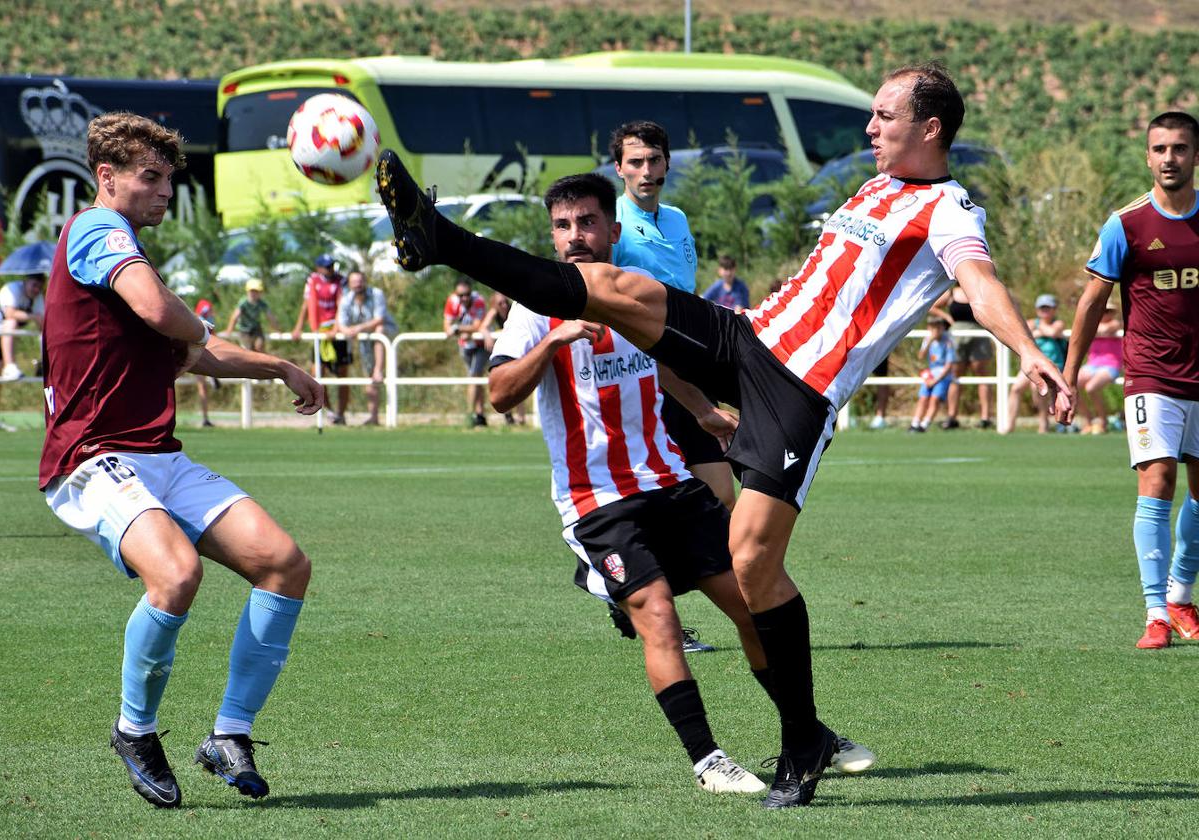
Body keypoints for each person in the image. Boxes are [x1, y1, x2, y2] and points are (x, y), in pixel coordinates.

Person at [377, 61, 1073, 808]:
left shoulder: (948, 210)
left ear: (930, 128)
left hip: (796, 394)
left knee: (751, 567)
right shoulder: (877, 186)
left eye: (884, 116)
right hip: (746, 339)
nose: (869, 128)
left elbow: (980, 281)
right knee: (610, 287)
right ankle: (437, 236)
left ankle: (802, 736)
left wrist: (1029, 350)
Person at [488, 172, 873, 793]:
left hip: (671, 483)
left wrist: (702, 411)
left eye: (586, 222)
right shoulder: (535, 307)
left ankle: (807, 734)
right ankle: (708, 759)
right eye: (562, 226)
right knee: (658, 618)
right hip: (598, 502)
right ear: (551, 236)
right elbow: (500, 393)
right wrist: (553, 339)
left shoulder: (635, 293)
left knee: (751, 606)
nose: (574, 236)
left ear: (613, 230)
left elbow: (665, 362)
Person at [39, 112, 325, 808]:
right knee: (177, 573)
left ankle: (229, 734)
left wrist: (280, 366)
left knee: (284, 565)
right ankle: (134, 730)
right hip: (92, 457)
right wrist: (188, 324)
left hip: (157, 455)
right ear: (107, 178)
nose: (166, 190)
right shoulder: (98, 231)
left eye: (170, 178)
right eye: (151, 176)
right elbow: (165, 315)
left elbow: (196, 351)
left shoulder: (127, 249)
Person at [1064, 110, 1199, 650]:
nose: (1170, 158)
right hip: (1151, 375)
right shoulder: (1127, 224)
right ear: (1147, 156)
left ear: (1195, 155)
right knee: (1158, 479)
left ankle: (1180, 595)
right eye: (1161, 148)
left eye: (1181, 148)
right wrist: (1069, 375)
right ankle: (1154, 615)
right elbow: (1092, 301)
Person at [609, 121, 736, 512]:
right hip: (642, 374)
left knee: (721, 496)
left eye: (654, 160)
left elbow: (687, 292)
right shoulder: (612, 224)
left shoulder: (678, 218)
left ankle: (700, 572)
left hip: (690, 366)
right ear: (619, 168)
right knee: (657, 498)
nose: (646, 171)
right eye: (635, 162)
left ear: (666, 164)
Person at [292, 253, 349, 425]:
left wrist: (336, 328)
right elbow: (306, 305)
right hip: (320, 332)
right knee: (317, 374)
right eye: (327, 266)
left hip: (337, 333)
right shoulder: (313, 281)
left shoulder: (342, 281)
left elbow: (342, 305)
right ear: (319, 268)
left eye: (332, 265)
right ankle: (330, 412)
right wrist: (298, 327)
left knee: (343, 376)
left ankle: (341, 413)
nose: (330, 269)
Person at [931, 283, 995, 429]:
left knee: (982, 375)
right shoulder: (951, 293)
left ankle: (985, 417)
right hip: (956, 337)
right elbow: (932, 306)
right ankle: (952, 416)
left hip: (978, 335)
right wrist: (947, 317)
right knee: (955, 376)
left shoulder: (980, 290)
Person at [338, 269, 396, 426]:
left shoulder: (376, 294)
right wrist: (348, 331)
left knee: (379, 330)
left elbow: (379, 319)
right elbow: (341, 324)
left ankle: (379, 368)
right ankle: (373, 417)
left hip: (387, 335)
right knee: (369, 377)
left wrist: (357, 329)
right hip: (365, 339)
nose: (357, 285)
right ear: (349, 284)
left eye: (360, 281)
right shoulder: (346, 299)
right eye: (354, 282)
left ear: (365, 281)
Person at [1003, 294, 1065, 434]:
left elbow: (1053, 332)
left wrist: (1038, 330)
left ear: (1054, 309)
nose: (1045, 311)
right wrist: (1040, 331)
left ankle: (1043, 423)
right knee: (1016, 389)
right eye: (1042, 308)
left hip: (1051, 364)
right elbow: (1021, 333)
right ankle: (1010, 425)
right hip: (1033, 363)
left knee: (1036, 389)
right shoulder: (1031, 323)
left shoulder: (1058, 323)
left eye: (1048, 308)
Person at [444, 276, 489, 426]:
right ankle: (480, 414)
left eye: (466, 294)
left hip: (480, 345)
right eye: (460, 295)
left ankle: (469, 416)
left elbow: (477, 325)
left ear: (471, 292)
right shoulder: (452, 301)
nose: (464, 298)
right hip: (465, 346)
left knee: (473, 377)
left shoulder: (479, 301)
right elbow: (446, 325)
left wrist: (457, 329)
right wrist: (456, 331)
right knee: (476, 380)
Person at [1075, 304, 1124, 434]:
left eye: (1108, 311)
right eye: (1102, 310)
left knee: (1091, 388)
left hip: (1111, 365)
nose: (1105, 313)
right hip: (1092, 365)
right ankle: (1088, 420)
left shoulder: (1115, 323)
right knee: (1070, 385)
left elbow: (1108, 328)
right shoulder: (1092, 324)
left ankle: (1103, 421)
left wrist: (1093, 327)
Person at [480, 291, 526, 425]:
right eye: (500, 303)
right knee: (504, 384)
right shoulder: (494, 312)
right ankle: (508, 416)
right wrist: (487, 335)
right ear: (494, 304)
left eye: (505, 302)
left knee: (519, 382)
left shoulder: (515, 311)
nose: (504, 305)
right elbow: (483, 327)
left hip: (517, 351)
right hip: (503, 353)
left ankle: (521, 417)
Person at [909, 316, 955, 432]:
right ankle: (915, 423)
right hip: (930, 375)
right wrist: (929, 341)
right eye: (933, 328)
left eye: (938, 328)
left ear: (943, 328)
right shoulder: (928, 340)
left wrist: (936, 380)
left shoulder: (948, 342)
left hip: (942, 376)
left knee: (935, 399)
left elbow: (949, 365)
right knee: (923, 398)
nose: (936, 331)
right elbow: (921, 356)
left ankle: (925, 424)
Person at [0, 271, 45, 380]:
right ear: (25, 281)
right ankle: (9, 366)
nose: (36, 290)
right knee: (11, 322)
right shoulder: (12, 289)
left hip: (3, 336)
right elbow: (10, 313)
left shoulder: (37, 297)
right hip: (3, 330)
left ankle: (44, 364)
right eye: (34, 285)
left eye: (39, 287)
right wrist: (34, 317)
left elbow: (42, 325)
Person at [225, 278, 280, 353]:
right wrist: (229, 331)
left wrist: (277, 329)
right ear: (248, 291)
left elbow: (270, 316)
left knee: (260, 346)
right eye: (252, 291)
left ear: (260, 293)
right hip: (244, 330)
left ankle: (260, 362)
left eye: (256, 291)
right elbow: (235, 316)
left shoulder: (261, 303)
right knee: (247, 350)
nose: (254, 294)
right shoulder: (243, 303)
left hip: (256, 329)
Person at [192, 298, 217, 427]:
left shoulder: (196, 320)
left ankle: (205, 418)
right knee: (202, 387)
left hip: (202, 354)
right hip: (198, 355)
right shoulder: (199, 321)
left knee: (203, 387)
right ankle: (205, 418)